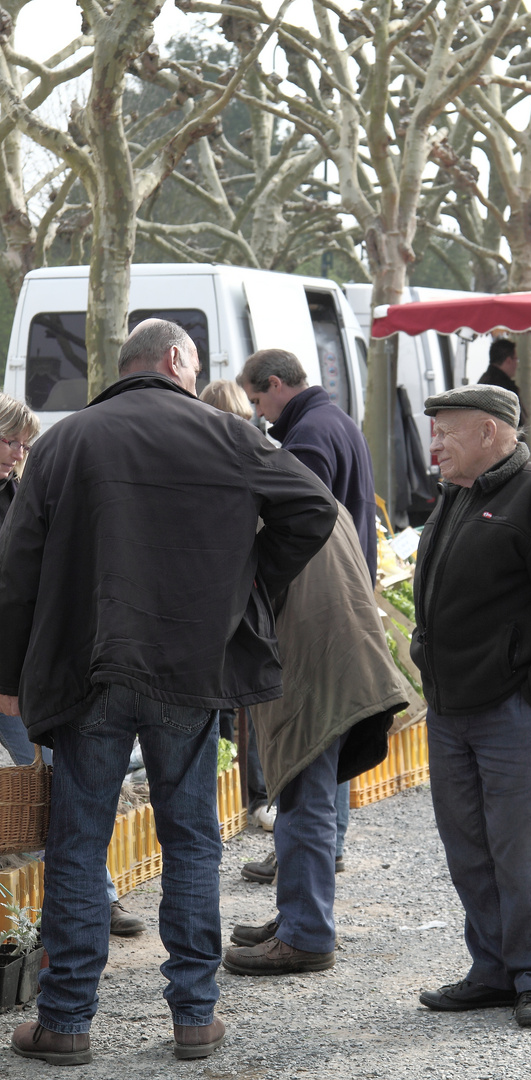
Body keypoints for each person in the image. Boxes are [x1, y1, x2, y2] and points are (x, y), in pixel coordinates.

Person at [0, 320, 337, 1065]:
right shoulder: (227, 435)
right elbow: (314, 509)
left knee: (79, 844)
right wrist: (249, 583)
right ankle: (194, 1015)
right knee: (191, 840)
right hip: (190, 666)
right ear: (179, 362)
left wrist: (8, 681)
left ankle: (65, 1022)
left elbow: (15, 572)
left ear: (124, 367)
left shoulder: (64, 441)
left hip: (87, 668)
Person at [410, 384, 531, 1028]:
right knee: (466, 845)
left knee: (520, 848)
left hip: (509, 708)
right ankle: (492, 970)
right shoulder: (459, 494)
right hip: (450, 707)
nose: (434, 443)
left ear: (490, 433)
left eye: (446, 431)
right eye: (433, 430)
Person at [222, 503, 407, 976]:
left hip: (314, 664)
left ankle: (305, 934)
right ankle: (298, 917)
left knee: (305, 798)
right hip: (337, 654)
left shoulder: (252, 503)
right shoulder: (294, 485)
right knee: (307, 797)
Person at [0, 393, 144, 937]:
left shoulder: (21, 495)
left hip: (12, 667)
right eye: (8, 440)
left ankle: (97, 901)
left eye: (22, 444)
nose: (16, 453)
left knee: (57, 786)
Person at [238, 349, 378, 876]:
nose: (260, 415)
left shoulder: (310, 435)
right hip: (348, 591)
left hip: (321, 605)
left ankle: (309, 852)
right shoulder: (336, 419)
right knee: (331, 733)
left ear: (276, 384)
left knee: (315, 739)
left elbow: (297, 518)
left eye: (258, 400)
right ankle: (326, 845)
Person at [199, 380, 275, 830]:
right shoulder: (259, 455)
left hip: (218, 600)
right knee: (246, 697)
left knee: (225, 701)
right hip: (245, 594)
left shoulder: (209, 460)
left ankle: (238, 790)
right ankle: (255, 793)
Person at [479, 338, 528, 428]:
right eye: (516, 359)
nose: (517, 365)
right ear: (508, 360)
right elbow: (514, 421)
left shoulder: (484, 381)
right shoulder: (503, 387)